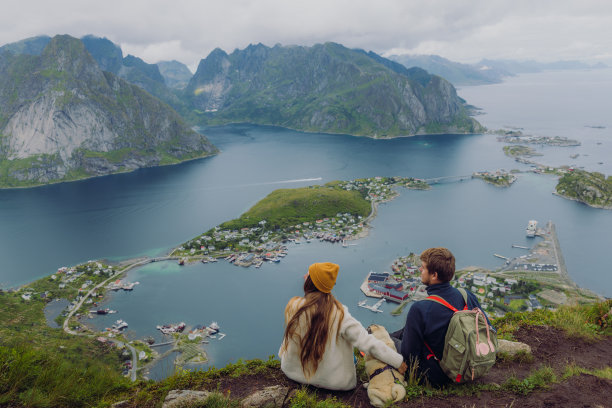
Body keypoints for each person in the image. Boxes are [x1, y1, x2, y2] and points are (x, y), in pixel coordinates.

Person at [279, 262, 408, 391]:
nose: (304, 277)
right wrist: (397, 361)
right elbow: (367, 342)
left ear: (310, 283)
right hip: (332, 382)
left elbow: (287, 343)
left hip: (293, 373)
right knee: (349, 351)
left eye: (308, 275)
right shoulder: (339, 314)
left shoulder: (294, 306)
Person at [391, 247, 493, 387]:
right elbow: (488, 328)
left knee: (381, 337)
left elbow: (409, 356)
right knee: (407, 331)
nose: (420, 270)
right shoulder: (467, 295)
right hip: (468, 366)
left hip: (436, 377)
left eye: (423, 268)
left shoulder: (420, 309)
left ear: (434, 275)